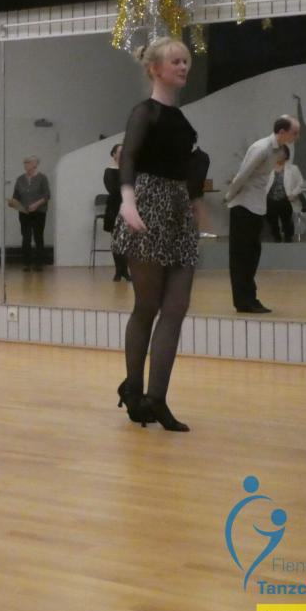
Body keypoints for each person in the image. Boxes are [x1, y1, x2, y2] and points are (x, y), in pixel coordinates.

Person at [113, 37, 210, 433]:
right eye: (175, 62)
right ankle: (134, 389)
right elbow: (129, 158)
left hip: (178, 210)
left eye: (186, 61)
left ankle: (157, 398)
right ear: (155, 69)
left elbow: (189, 167)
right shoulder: (144, 112)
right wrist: (127, 201)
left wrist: (194, 204)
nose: (184, 67)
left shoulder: (182, 120)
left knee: (176, 307)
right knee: (147, 306)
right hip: (147, 205)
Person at [224, 115, 301, 313]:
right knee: (241, 256)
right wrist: (229, 197)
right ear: (282, 132)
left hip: (257, 206)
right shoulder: (261, 148)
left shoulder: (277, 151)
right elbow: (242, 175)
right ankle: (243, 301)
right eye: (294, 133)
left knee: (252, 254)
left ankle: (250, 298)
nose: (297, 136)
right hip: (243, 205)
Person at [10, 157, 51, 272]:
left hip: (39, 212)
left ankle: (39, 264)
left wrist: (36, 205)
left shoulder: (42, 178)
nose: (25, 165)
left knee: (38, 236)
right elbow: (16, 195)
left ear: (35, 165)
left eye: (28, 162)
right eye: (24, 163)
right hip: (24, 212)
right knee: (26, 237)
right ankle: (26, 263)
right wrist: (13, 202)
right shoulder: (20, 179)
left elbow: (47, 195)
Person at [102, 143, 131, 282]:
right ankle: (118, 271)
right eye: (120, 151)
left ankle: (125, 270)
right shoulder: (109, 171)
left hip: (128, 207)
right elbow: (112, 189)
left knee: (126, 240)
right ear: (114, 154)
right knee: (116, 240)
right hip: (114, 207)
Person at [265, 145, 303, 243]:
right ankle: (276, 237)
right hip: (270, 198)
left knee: (286, 221)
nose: (278, 154)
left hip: (286, 198)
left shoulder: (293, 168)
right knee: (272, 220)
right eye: (276, 152)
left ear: (286, 155)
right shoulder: (268, 168)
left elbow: (300, 184)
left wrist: (294, 194)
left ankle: (288, 238)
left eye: (281, 152)